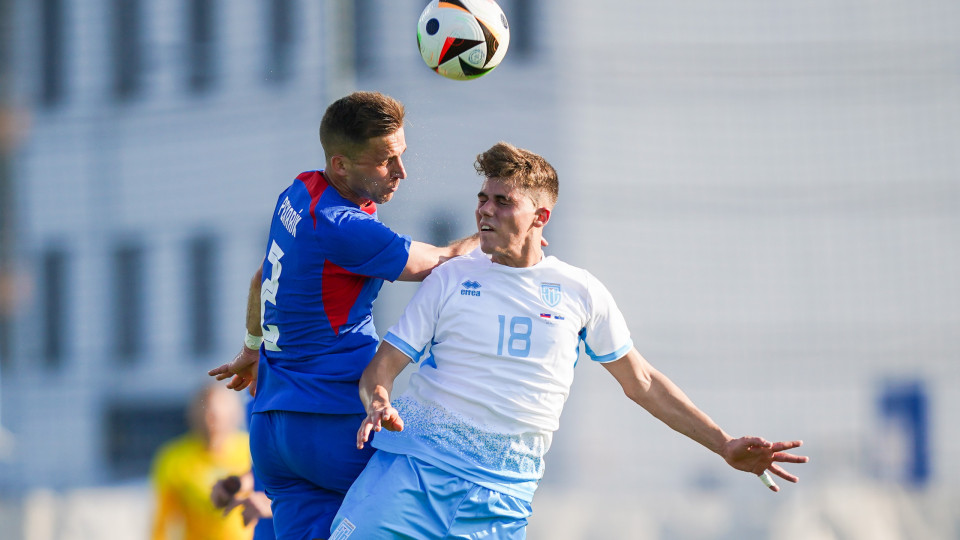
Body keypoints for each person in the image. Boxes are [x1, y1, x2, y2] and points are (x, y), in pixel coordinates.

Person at [330, 142, 810, 539]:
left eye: (503, 201)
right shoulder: (450, 278)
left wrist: (723, 443)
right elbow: (384, 366)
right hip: (415, 474)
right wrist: (377, 399)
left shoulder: (580, 292)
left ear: (541, 216)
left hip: (500, 500)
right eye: (482, 198)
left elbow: (642, 382)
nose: (485, 210)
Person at [207, 91, 479, 539]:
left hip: (272, 431)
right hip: (333, 426)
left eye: (401, 156)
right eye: (384, 161)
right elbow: (444, 259)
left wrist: (253, 347)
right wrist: (506, 228)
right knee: (436, 510)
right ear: (341, 165)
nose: (401, 172)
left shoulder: (297, 193)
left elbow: (261, 278)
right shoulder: (345, 227)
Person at [150, 384, 252, 540]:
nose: (210, 421)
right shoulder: (174, 459)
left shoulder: (251, 450)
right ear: (193, 415)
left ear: (234, 414)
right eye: (206, 413)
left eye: (217, 416)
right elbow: (162, 522)